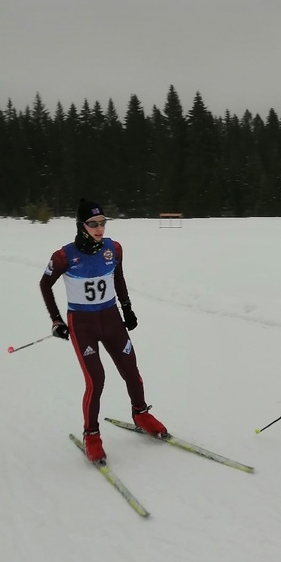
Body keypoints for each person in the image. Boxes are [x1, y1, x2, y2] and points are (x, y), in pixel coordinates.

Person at [39, 198, 167, 463]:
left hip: (111, 319)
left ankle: (140, 413)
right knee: (96, 380)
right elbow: (45, 284)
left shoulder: (114, 249)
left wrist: (127, 308)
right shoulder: (64, 256)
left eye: (102, 223)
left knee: (131, 369)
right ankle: (91, 434)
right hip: (82, 325)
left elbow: (118, 278)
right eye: (93, 224)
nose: (99, 228)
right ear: (81, 225)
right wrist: (56, 320)